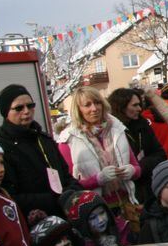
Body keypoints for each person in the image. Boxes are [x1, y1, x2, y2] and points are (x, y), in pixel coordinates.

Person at [58, 87, 142, 231]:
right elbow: (69, 186)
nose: (94, 108)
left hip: (126, 206)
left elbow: (137, 168)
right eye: (87, 105)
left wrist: (131, 171)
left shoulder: (117, 129)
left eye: (97, 103)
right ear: (78, 109)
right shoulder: (68, 140)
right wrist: (98, 179)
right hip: (94, 213)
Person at [0, 84, 78, 220]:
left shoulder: (44, 139)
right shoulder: (2, 149)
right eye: (19, 108)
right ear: (6, 113)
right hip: (35, 221)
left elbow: (65, 174)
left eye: (30, 105)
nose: (26, 111)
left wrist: (74, 191)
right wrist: (54, 199)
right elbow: (10, 196)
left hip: (66, 213)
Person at [108, 87, 167, 204]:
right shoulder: (110, 131)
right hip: (124, 193)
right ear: (121, 107)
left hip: (148, 187)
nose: (140, 109)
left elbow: (160, 154)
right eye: (134, 105)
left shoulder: (142, 125)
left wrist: (139, 167)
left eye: (139, 104)